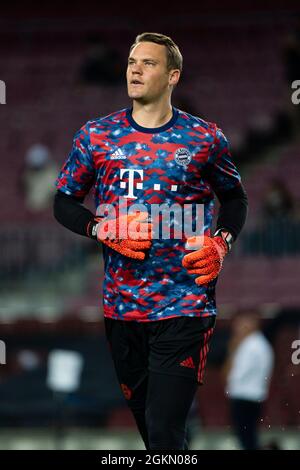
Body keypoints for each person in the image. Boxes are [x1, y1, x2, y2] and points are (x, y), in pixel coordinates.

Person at [53, 32, 248, 450]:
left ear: (173, 75)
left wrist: (222, 241)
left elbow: (235, 197)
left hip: (186, 303)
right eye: (130, 61)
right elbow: (64, 201)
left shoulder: (204, 139)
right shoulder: (96, 136)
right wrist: (99, 228)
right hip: (122, 307)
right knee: (154, 435)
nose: (135, 69)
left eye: (148, 62)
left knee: (163, 428)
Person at [222, 311, 274, 450]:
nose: (237, 328)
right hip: (252, 396)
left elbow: (236, 374)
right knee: (247, 434)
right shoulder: (256, 343)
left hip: (245, 396)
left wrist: (232, 350)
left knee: (246, 436)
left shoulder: (252, 345)